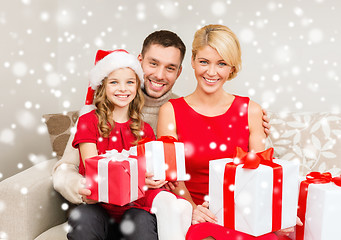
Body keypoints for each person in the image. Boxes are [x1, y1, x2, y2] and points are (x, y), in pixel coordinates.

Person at [52, 30, 271, 239]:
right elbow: (67, 168)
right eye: (153, 63)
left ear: (180, 71)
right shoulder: (97, 113)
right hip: (98, 206)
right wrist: (85, 190)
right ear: (139, 61)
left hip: (142, 210)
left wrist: (260, 129)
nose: (159, 75)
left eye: (170, 68)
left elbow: (253, 159)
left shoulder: (175, 110)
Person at [157, 24, 300, 240]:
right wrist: (193, 208)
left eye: (221, 64)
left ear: (231, 68)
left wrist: (275, 217)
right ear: (193, 62)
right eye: (204, 62)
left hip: (245, 217)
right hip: (201, 216)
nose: (211, 72)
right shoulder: (170, 111)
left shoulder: (251, 110)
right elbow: (173, 178)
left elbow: (260, 177)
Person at [67, 49, 192, 239]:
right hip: (98, 206)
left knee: (142, 220)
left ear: (137, 86)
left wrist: (156, 179)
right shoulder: (88, 122)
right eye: (114, 82)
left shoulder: (144, 130)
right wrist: (139, 179)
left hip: (133, 208)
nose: (123, 89)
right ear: (102, 86)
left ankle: (170, 207)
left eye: (130, 82)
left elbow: (147, 175)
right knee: (83, 217)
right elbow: (97, 171)